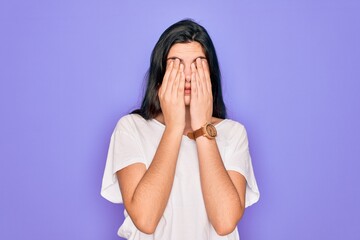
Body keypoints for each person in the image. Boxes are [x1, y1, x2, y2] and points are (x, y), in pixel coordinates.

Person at [101, 19, 260, 240]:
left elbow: (224, 222)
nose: (186, 76)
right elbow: (145, 220)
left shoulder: (234, 133)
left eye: (197, 65)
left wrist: (202, 126)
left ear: (210, 74)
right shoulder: (130, 128)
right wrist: (174, 126)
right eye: (176, 64)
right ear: (161, 72)